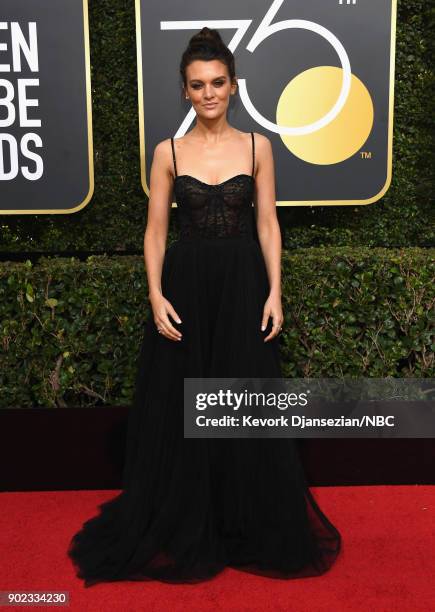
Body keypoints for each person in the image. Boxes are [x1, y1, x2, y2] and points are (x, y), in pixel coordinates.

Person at [68, 26, 341, 587]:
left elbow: (267, 222)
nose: (209, 93)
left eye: (218, 82)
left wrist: (275, 290)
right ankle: (189, 517)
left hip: (242, 285)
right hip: (188, 289)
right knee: (184, 408)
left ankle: (241, 516)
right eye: (198, 85)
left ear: (234, 87)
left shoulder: (257, 147)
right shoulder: (167, 152)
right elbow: (154, 232)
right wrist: (154, 294)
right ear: (186, 91)